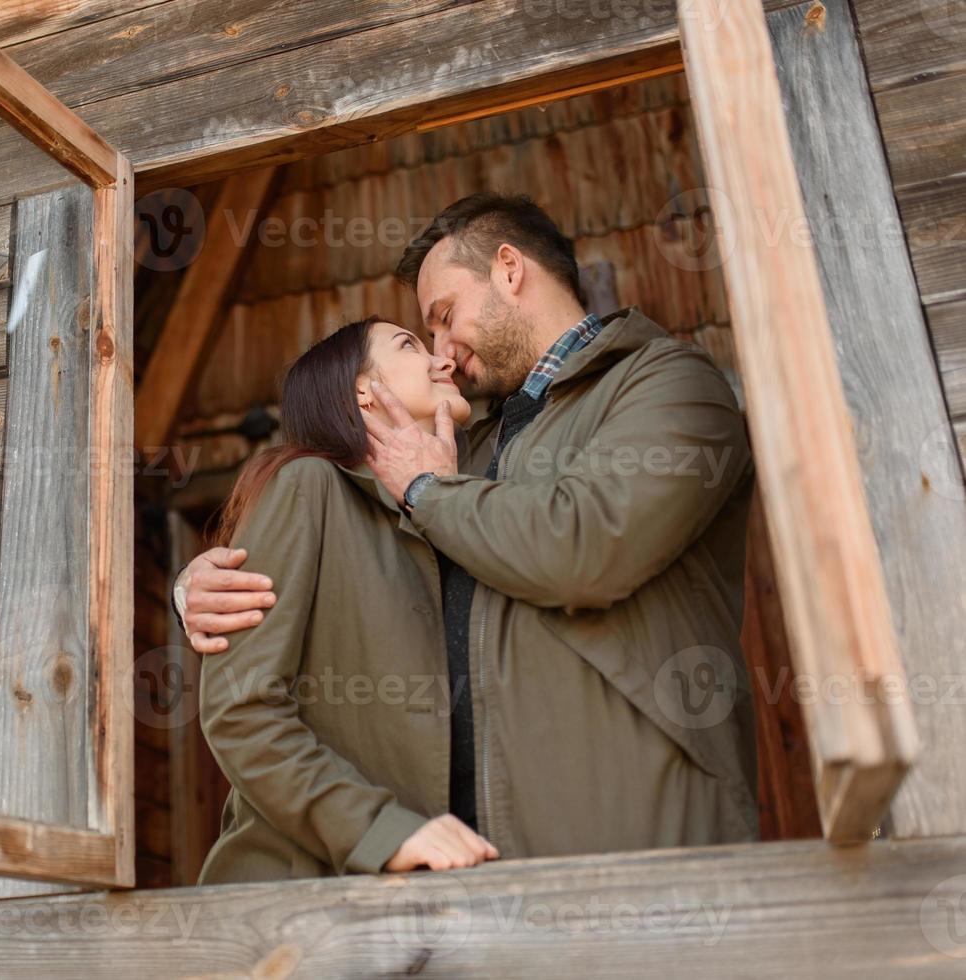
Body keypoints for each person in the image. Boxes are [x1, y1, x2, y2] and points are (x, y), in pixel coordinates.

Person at [180, 193, 760, 868]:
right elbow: (267, 668)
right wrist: (193, 584)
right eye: (420, 338)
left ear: (510, 270)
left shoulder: (669, 384)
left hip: (653, 836)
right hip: (474, 871)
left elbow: (586, 547)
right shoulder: (465, 451)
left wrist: (429, 491)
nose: (441, 353)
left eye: (443, 318)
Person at [196, 315, 500, 885]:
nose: (443, 360)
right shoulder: (307, 487)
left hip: (435, 903)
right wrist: (379, 830)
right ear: (363, 391)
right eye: (410, 344)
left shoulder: (456, 516)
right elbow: (241, 709)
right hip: (294, 901)